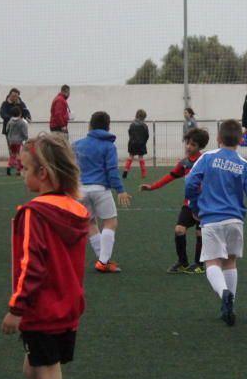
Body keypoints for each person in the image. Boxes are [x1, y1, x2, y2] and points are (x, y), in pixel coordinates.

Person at [2, 134, 89, 379]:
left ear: (44, 172)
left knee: (46, 376)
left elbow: (31, 266)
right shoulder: (75, 209)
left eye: (25, 168)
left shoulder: (34, 213)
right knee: (36, 370)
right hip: (67, 307)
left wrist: (16, 308)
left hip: (44, 309)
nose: (21, 173)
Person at [184, 119, 247, 326]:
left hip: (211, 219)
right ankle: (231, 303)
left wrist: (194, 207)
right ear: (241, 140)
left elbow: (190, 183)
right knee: (230, 261)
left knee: (212, 262)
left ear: (218, 138)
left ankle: (224, 294)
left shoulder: (207, 158)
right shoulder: (244, 165)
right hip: (235, 220)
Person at [140, 128, 210, 275]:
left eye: (193, 145)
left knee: (200, 233)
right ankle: (182, 262)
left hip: (204, 205)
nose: (188, 147)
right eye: (188, 143)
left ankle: (200, 264)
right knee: (179, 230)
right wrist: (152, 187)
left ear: (200, 147)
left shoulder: (205, 162)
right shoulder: (184, 163)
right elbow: (171, 176)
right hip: (189, 204)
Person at [73, 112, 131, 274]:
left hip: (80, 189)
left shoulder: (77, 145)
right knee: (110, 222)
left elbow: (70, 168)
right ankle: (103, 261)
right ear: (108, 127)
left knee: (90, 223)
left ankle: (103, 259)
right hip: (100, 189)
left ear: (90, 126)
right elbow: (112, 170)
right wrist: (120, 190)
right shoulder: (108, 146)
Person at [122, 109, 149, 180]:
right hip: (141, 143)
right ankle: (143, 174)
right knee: (141, 158)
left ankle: (126, 170)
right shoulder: (144, 125)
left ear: (136, 115)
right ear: (144, 117)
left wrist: (132, 139)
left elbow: (129, 133)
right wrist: (144, 142)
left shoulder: (132, 124)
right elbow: (147, 135)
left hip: (132, 143)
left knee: (131, 157)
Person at [5, 106, 29, 176]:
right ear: (20, 114)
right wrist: (25, 138)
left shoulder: (10, 122)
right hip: (19, 141)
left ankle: (9, 166)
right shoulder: (22, 122)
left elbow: (7, 130)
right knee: (19, 155)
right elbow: (24, 132)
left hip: (11, 141)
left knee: (12, 154)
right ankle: (18, 170)